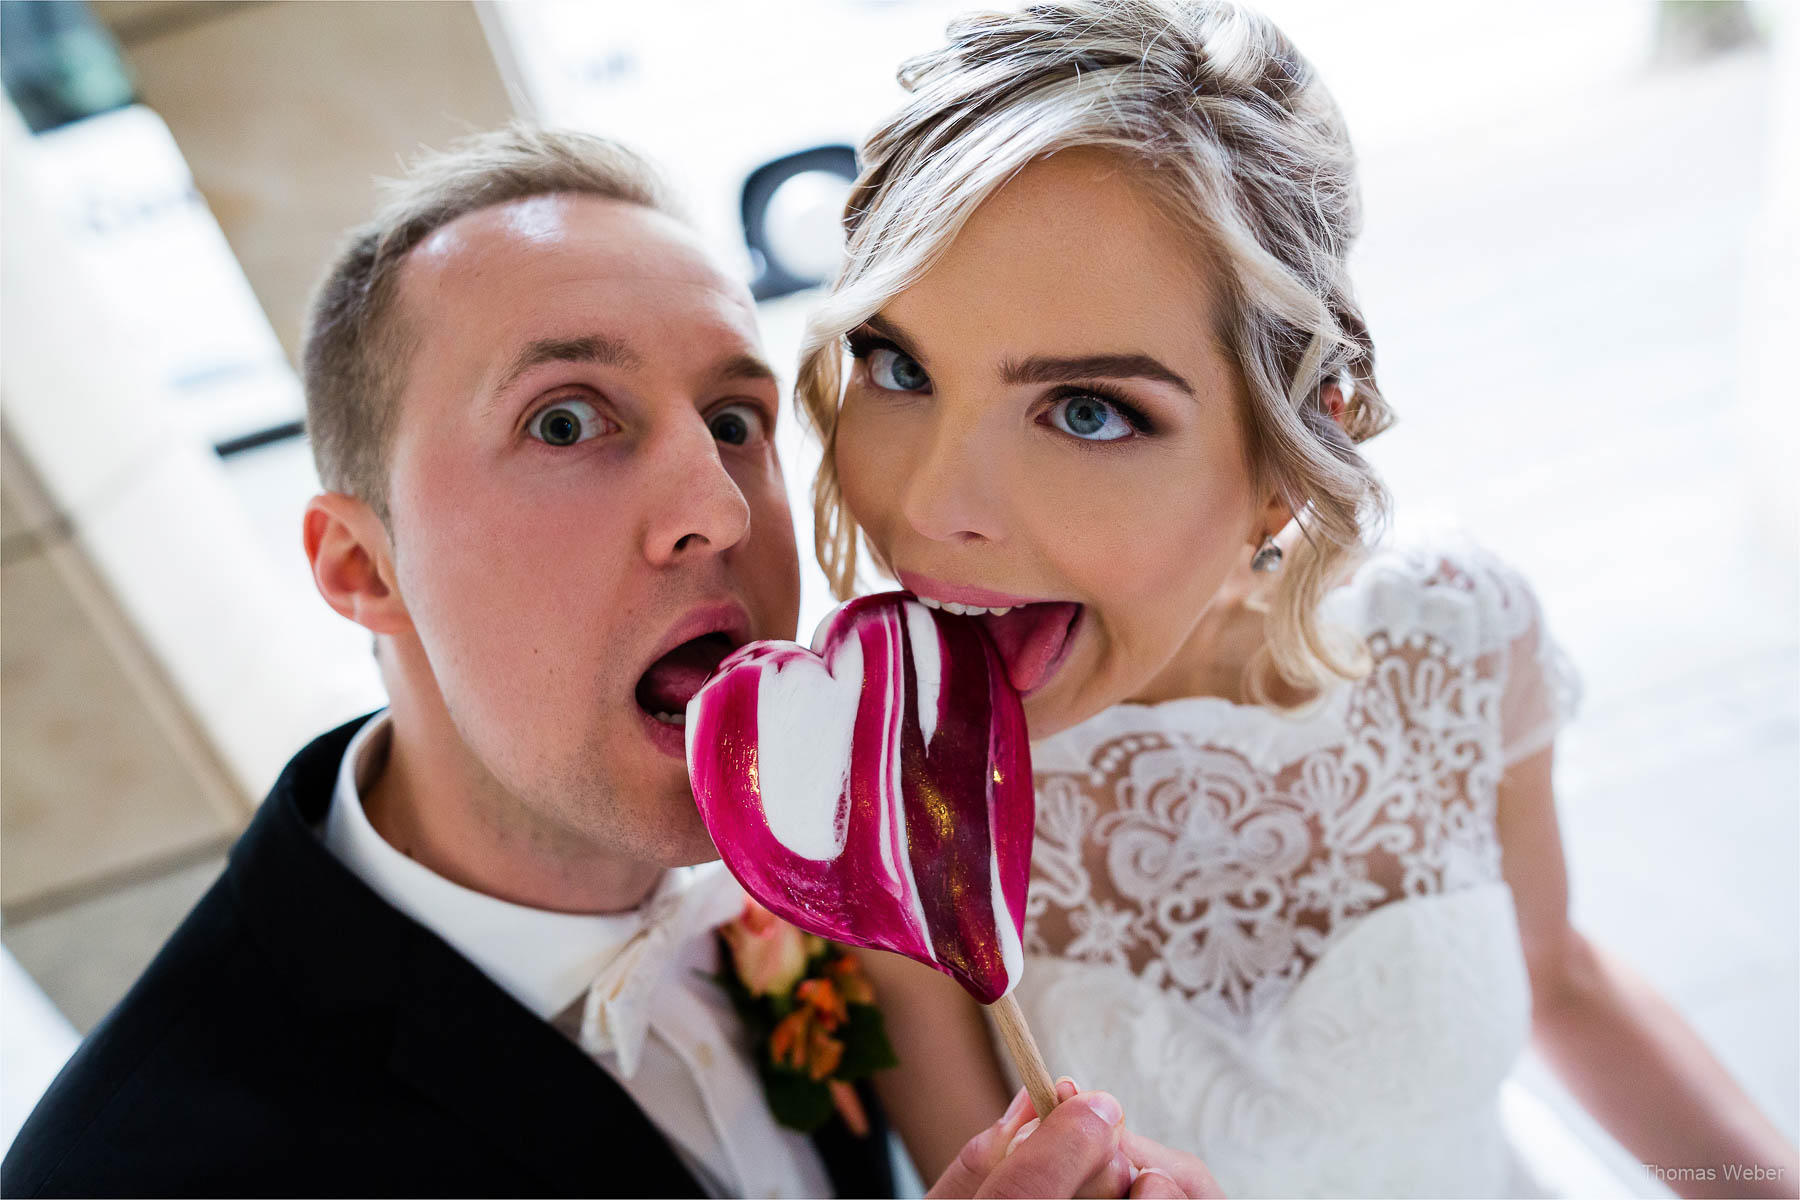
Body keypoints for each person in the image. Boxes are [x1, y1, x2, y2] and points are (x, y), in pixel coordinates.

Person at [0, 126, 1217, 1199]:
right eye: (566, 420)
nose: (721, 511)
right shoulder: (139, 1173)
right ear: (362, 568)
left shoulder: (833, 868)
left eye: (735, 421)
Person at [793, 2, 1800, 1196]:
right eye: (898, 364)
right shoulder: (868, 770)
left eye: (1085, 410)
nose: (925, 505)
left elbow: (1559, 978)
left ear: (1286, 464)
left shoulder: (1454, 633)